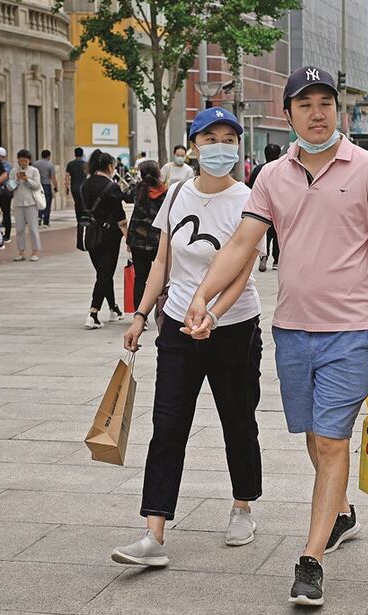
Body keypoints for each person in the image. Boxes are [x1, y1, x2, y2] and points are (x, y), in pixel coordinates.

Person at [182, 66, 368, 608]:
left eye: (325, 102)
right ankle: (341, 512)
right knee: (312, 434)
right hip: (292, 330)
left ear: (338, 109)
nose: (316, 113)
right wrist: (202, 295)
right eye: (304, 104)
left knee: (331, 440)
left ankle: (311, 560)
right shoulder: (271, 177)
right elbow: (243, 243)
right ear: (288, 115)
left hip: (350, 331)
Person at [113, 107, 266, 567]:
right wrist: (141, 314)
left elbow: (242, 272)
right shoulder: (178, 193)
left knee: (237, 420)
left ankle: (242, 507)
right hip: (178, 325)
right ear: (194, 146)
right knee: (168, 425)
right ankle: (153, 532)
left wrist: (214, 315)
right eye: (210, 138)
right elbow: (162, 262)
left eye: (228, 139)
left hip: (234, 327)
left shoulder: (248, 199)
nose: (220, 147)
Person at [80, 150, 127, 329]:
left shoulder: (85, 184)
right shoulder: (111, 187)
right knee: (105, 273)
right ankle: (93, 313)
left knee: (103, 272)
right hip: (109, 236)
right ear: (109, 166)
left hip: (90, 234)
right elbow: (120, 217)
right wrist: (128, 237)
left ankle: (114, 308)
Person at [124, 160, 166, 313]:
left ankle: (140, 313)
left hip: (137, 241)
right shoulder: (165, 192)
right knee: (162, 277)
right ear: (158, 173)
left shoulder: (137, 189)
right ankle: (162, 311)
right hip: (158, 241)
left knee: (140, 278)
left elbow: (125, 196)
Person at [248, 143, 281, 272]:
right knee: (278, 234)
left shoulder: (258, 170)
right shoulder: (283, 169)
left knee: (264, 234)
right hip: (278, 208)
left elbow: (250, 187)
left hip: (261, 209)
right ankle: (277, 261)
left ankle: (263, 256)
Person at [8, 149, 43, 262]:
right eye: (21, 160)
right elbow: (10, 187)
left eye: (25, 161)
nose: (23, 163)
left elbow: (37, 185)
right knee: (19, 229)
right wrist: (17, 180)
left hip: (31, 202)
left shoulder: (34, 171)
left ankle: (35, 251)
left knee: (33, 228)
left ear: (29, 161)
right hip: (18, 203)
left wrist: (27, 180)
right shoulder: (14, 171)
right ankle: (21, 251)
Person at [0, 147, 13, 243]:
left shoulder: (7, 166)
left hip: (5, 193)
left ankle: (7, 235)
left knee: (6, 213)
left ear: (2, 157)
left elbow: (3, 177)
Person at [34, 149, 57, 226]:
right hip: (46, 185)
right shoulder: (50, 165)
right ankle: (46, 220)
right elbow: (53, 177)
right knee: (47, 203)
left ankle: (39, 217)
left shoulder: (35, 164)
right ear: (48, 156)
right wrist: (56, 187)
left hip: (37, 185)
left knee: (38, 202)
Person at [65, 147, 88, 222]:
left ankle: (78, 219)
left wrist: (66, 187)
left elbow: (67, 177)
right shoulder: (85, 164)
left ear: (75, 154)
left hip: (74, 187)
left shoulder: (70, 164)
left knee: (77, 203)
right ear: (82, 154)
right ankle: (84, 218)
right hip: (84, 187)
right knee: (84, 203)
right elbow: (88, 175)